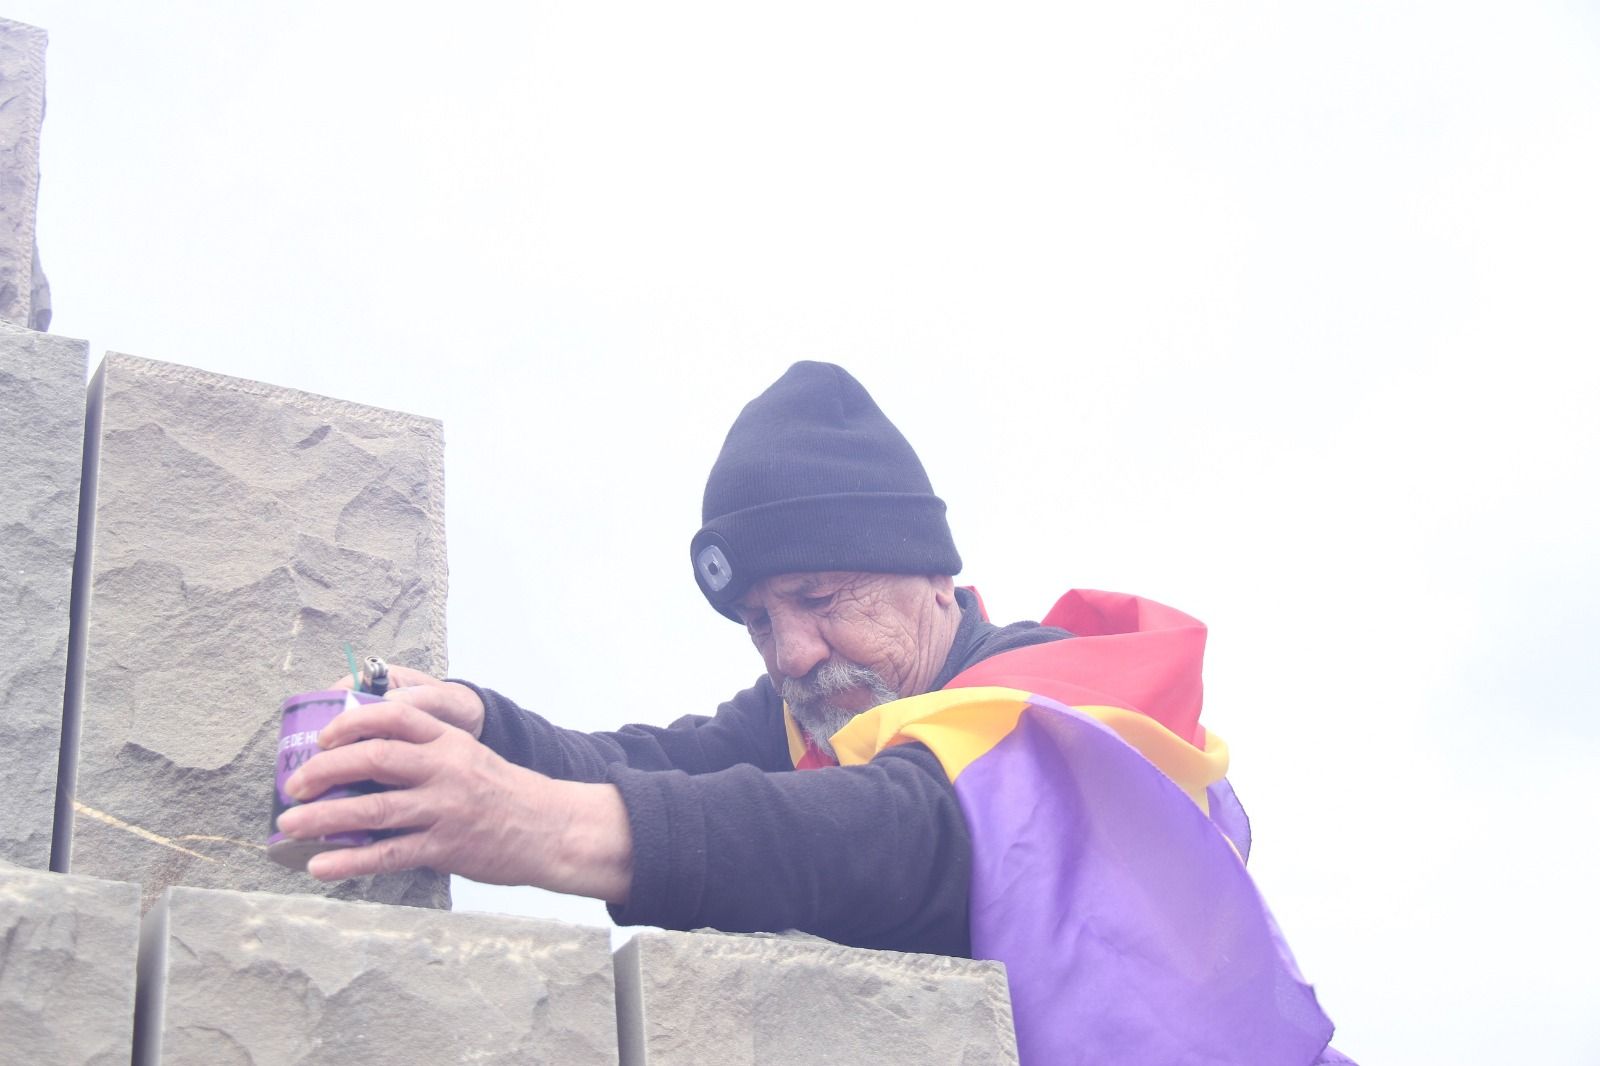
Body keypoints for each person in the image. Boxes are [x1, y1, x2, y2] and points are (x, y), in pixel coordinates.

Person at [276, 362, 1347, 1064]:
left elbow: (897, 838)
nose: (792, 653)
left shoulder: (1066, 702)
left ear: (933, 578)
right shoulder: (836, 707)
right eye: (759, 621)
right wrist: (477, 723)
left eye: (822, 599)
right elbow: (661, 764)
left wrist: (531, 825)